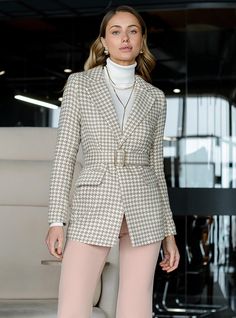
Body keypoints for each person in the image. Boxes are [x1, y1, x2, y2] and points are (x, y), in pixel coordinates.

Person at [45, 5, 180, 318]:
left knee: (136, 307)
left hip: (144, 208)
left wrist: (169, 235)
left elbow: (157, 171)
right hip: (94, 202)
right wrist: (56, 220)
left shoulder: (155, 98)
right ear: (104, 41)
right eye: (116, 31)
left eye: (133, 31)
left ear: (142, 40)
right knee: (74, 305)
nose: (125, 38)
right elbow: (64, 156)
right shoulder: (80, 85)